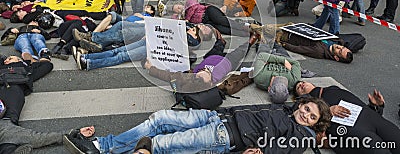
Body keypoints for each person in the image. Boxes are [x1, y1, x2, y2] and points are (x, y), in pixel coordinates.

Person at [63, 97, 331, 154]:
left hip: (226, 136)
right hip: (215, 117)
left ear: (317, 125)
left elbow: (284, 151)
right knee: (160, 119)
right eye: (307, 109)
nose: (306, 115)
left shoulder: (302, 135)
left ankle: (103, 150)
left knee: (161, 145)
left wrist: (262, 153)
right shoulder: (286, 109)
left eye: (312, 117)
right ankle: (102, 145)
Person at [295, 81, 400, 153]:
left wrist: (376, 106)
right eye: (298, 88)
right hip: (351, 131)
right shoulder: (307, 104)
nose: (301, 85)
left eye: (302, 82)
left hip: (372, 118)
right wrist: (327, 112)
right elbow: (309, 126)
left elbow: (356, 106)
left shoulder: (332, 89)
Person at [73, 23, 209, 70]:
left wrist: (187, 31)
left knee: (121, 56)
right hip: (150, 42)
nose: (191, 29)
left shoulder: (193, 42)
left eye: (194, 30)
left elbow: (188, 41)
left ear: (197, 36)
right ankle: (87, 57)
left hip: (152, 51)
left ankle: (89, 64)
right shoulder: (185, 29)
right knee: (118, 50)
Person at [173, 0, 261, 37]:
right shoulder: (181, 16)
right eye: (176, 10)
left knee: (220, 20)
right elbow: (174, 22)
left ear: (180, 4)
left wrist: (187, 19)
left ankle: (248, 26)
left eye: (177, 6)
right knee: (221, 29)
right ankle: (247, 34)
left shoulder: (189, 2)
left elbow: (194, 7)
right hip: (205, 22)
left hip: (208, 11)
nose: (178, 9)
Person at [275, 28, 353, 63]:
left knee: (266, 29)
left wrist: (283, 44)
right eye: (342, 47)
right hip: (295, 28)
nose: (339, 47)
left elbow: (299, 49)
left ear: (336, 58)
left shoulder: (319, 51)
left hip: (288, 36)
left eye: (339, 51)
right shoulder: (337, 40)